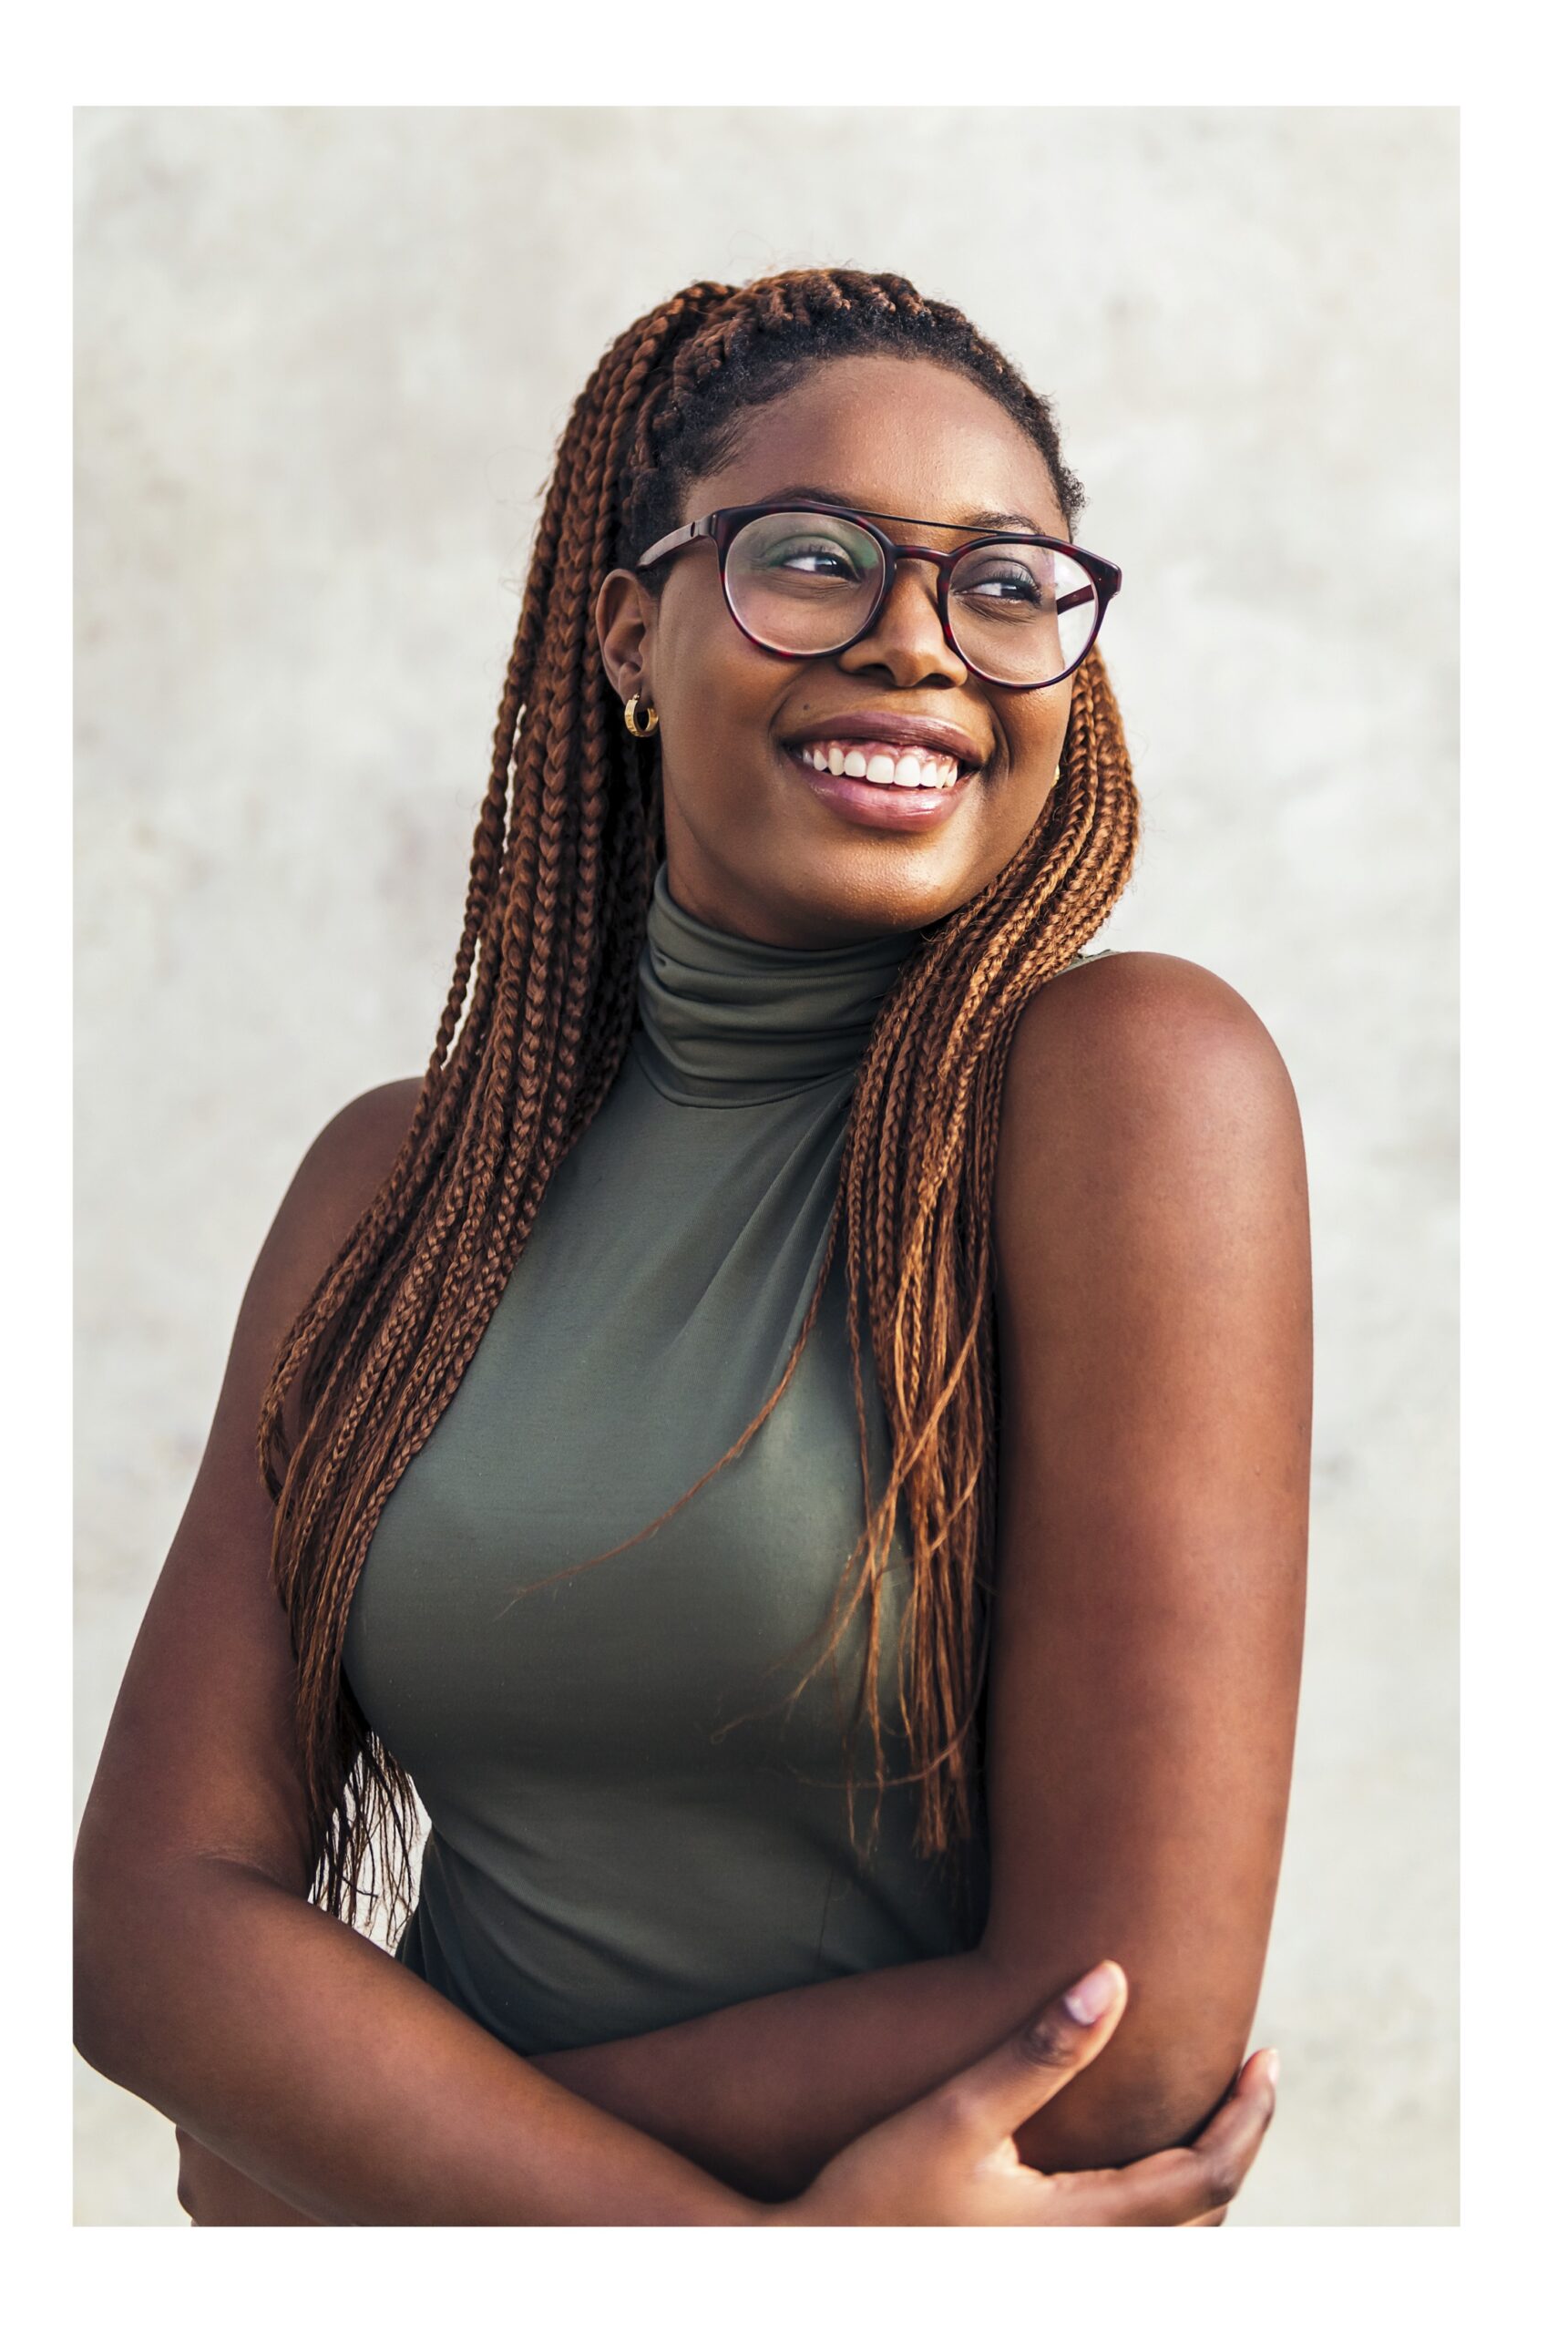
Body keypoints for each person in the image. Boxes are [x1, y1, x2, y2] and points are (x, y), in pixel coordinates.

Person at [73, 267, 1307, 2226]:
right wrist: (752, 2255)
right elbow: (151, 1927)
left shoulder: (1132, 1091)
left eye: (1004, 584)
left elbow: (1119, 2035)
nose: (920, 647)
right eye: (813, 561)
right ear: (630, 634)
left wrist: (342, 2146)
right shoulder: (398, 1187)